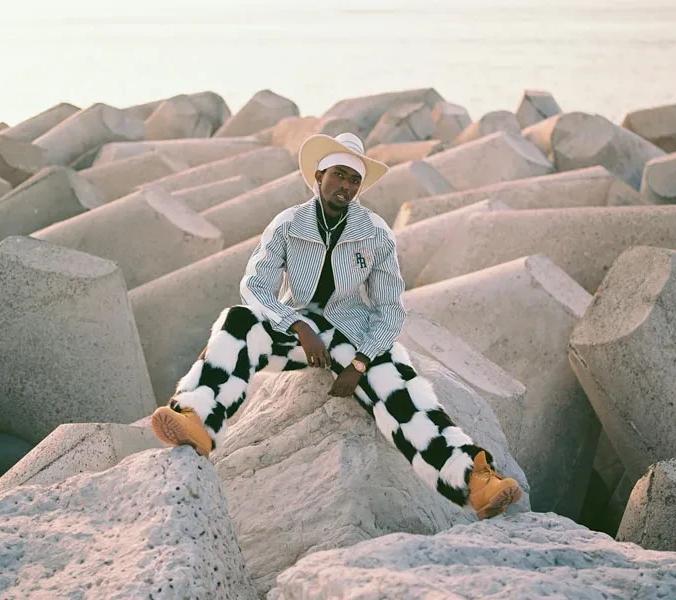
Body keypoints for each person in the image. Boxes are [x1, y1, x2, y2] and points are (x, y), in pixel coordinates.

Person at [150, 132, 522, 519]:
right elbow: (256, 286)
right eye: (338, 175)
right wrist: (297, 326)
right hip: (298, 331)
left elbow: (390, 308)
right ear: (319, 175)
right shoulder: (288, 223)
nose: (345, 186)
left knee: (403, 398)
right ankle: (196, 420)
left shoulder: (375, 232)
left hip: (355, 334)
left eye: (354, 180)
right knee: (236, 321)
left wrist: (360, 363)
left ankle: (475, 481)